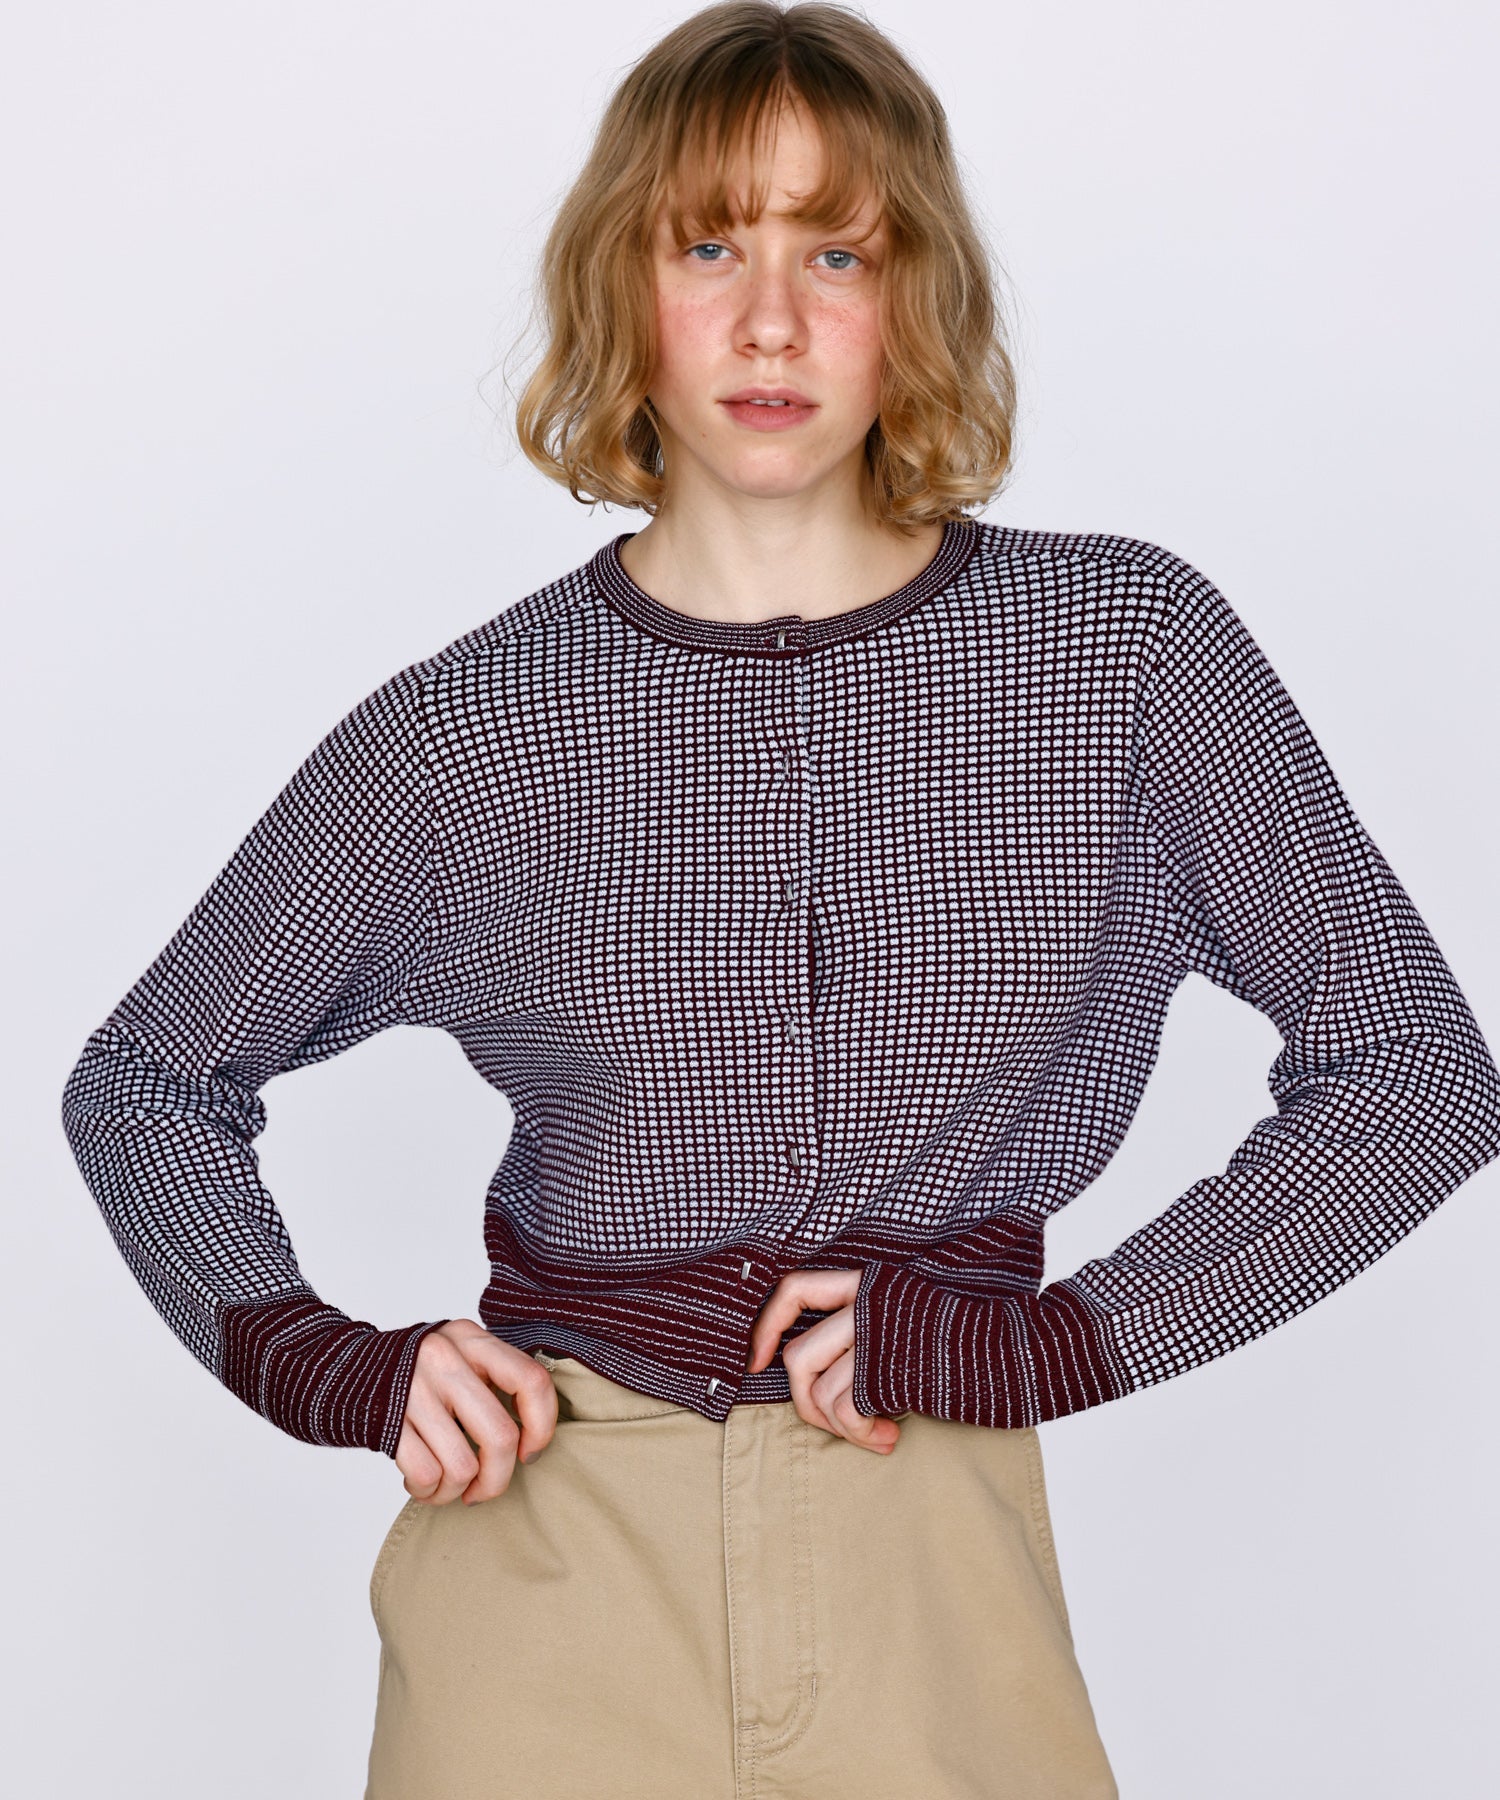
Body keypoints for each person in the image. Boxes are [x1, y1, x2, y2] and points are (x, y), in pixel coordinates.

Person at [58, 5, 1500, 1798]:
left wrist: (1061, 1338)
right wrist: (322, 1363)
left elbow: (1417, 1073)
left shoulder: (1123, 659)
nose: (768, 321)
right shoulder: (472, 734)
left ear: (918, 296)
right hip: (548, 1578)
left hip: (932, 1559)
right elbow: (146, 1082)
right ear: (623, 288)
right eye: (707, 246)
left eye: (838, 252)